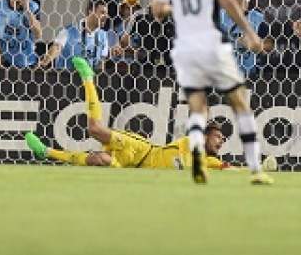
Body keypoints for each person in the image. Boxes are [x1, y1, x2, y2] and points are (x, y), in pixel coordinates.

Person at [150, 0, 271, 186]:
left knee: (197, 108)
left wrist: (179, 8)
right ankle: (255, 169)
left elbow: (157, 11)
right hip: (214, 44)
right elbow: (228, 3)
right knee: (240, 104)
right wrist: (251, 34)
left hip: (186, 47)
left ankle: (196, 161)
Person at [25, 56, 232, 171]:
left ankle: (46, 152)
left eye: (223, 139)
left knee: (98, 159)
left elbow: (231, 171)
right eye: (219, 136)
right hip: (141, 150)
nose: (222, 141)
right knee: (95, 129)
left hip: (132, 167)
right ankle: (88, 78)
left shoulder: (209, 162)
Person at [38, 0, 111, 69]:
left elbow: (100, 62)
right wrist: (46, 61)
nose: (106, 16)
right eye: (102, 12)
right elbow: (57, 47)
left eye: (107, 14)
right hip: (65, 78)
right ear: (91, 11)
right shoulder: (69, 31)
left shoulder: (103, 36)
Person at [218, 0, 271, 77]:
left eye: (240, 1)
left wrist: (254, 44)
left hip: (248, 75)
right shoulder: (219, 17)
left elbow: (270, 45)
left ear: (247, 4)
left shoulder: (257, 19)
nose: (236, 4)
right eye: (233, 1)